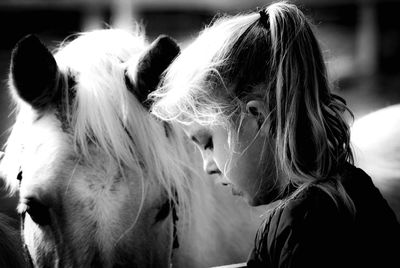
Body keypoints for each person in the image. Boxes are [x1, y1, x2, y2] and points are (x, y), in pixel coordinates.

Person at [151, 2, 400, 267]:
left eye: (208, 143)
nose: (207, 166)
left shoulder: (302, 227)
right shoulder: (354, 188)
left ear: (258, 117)